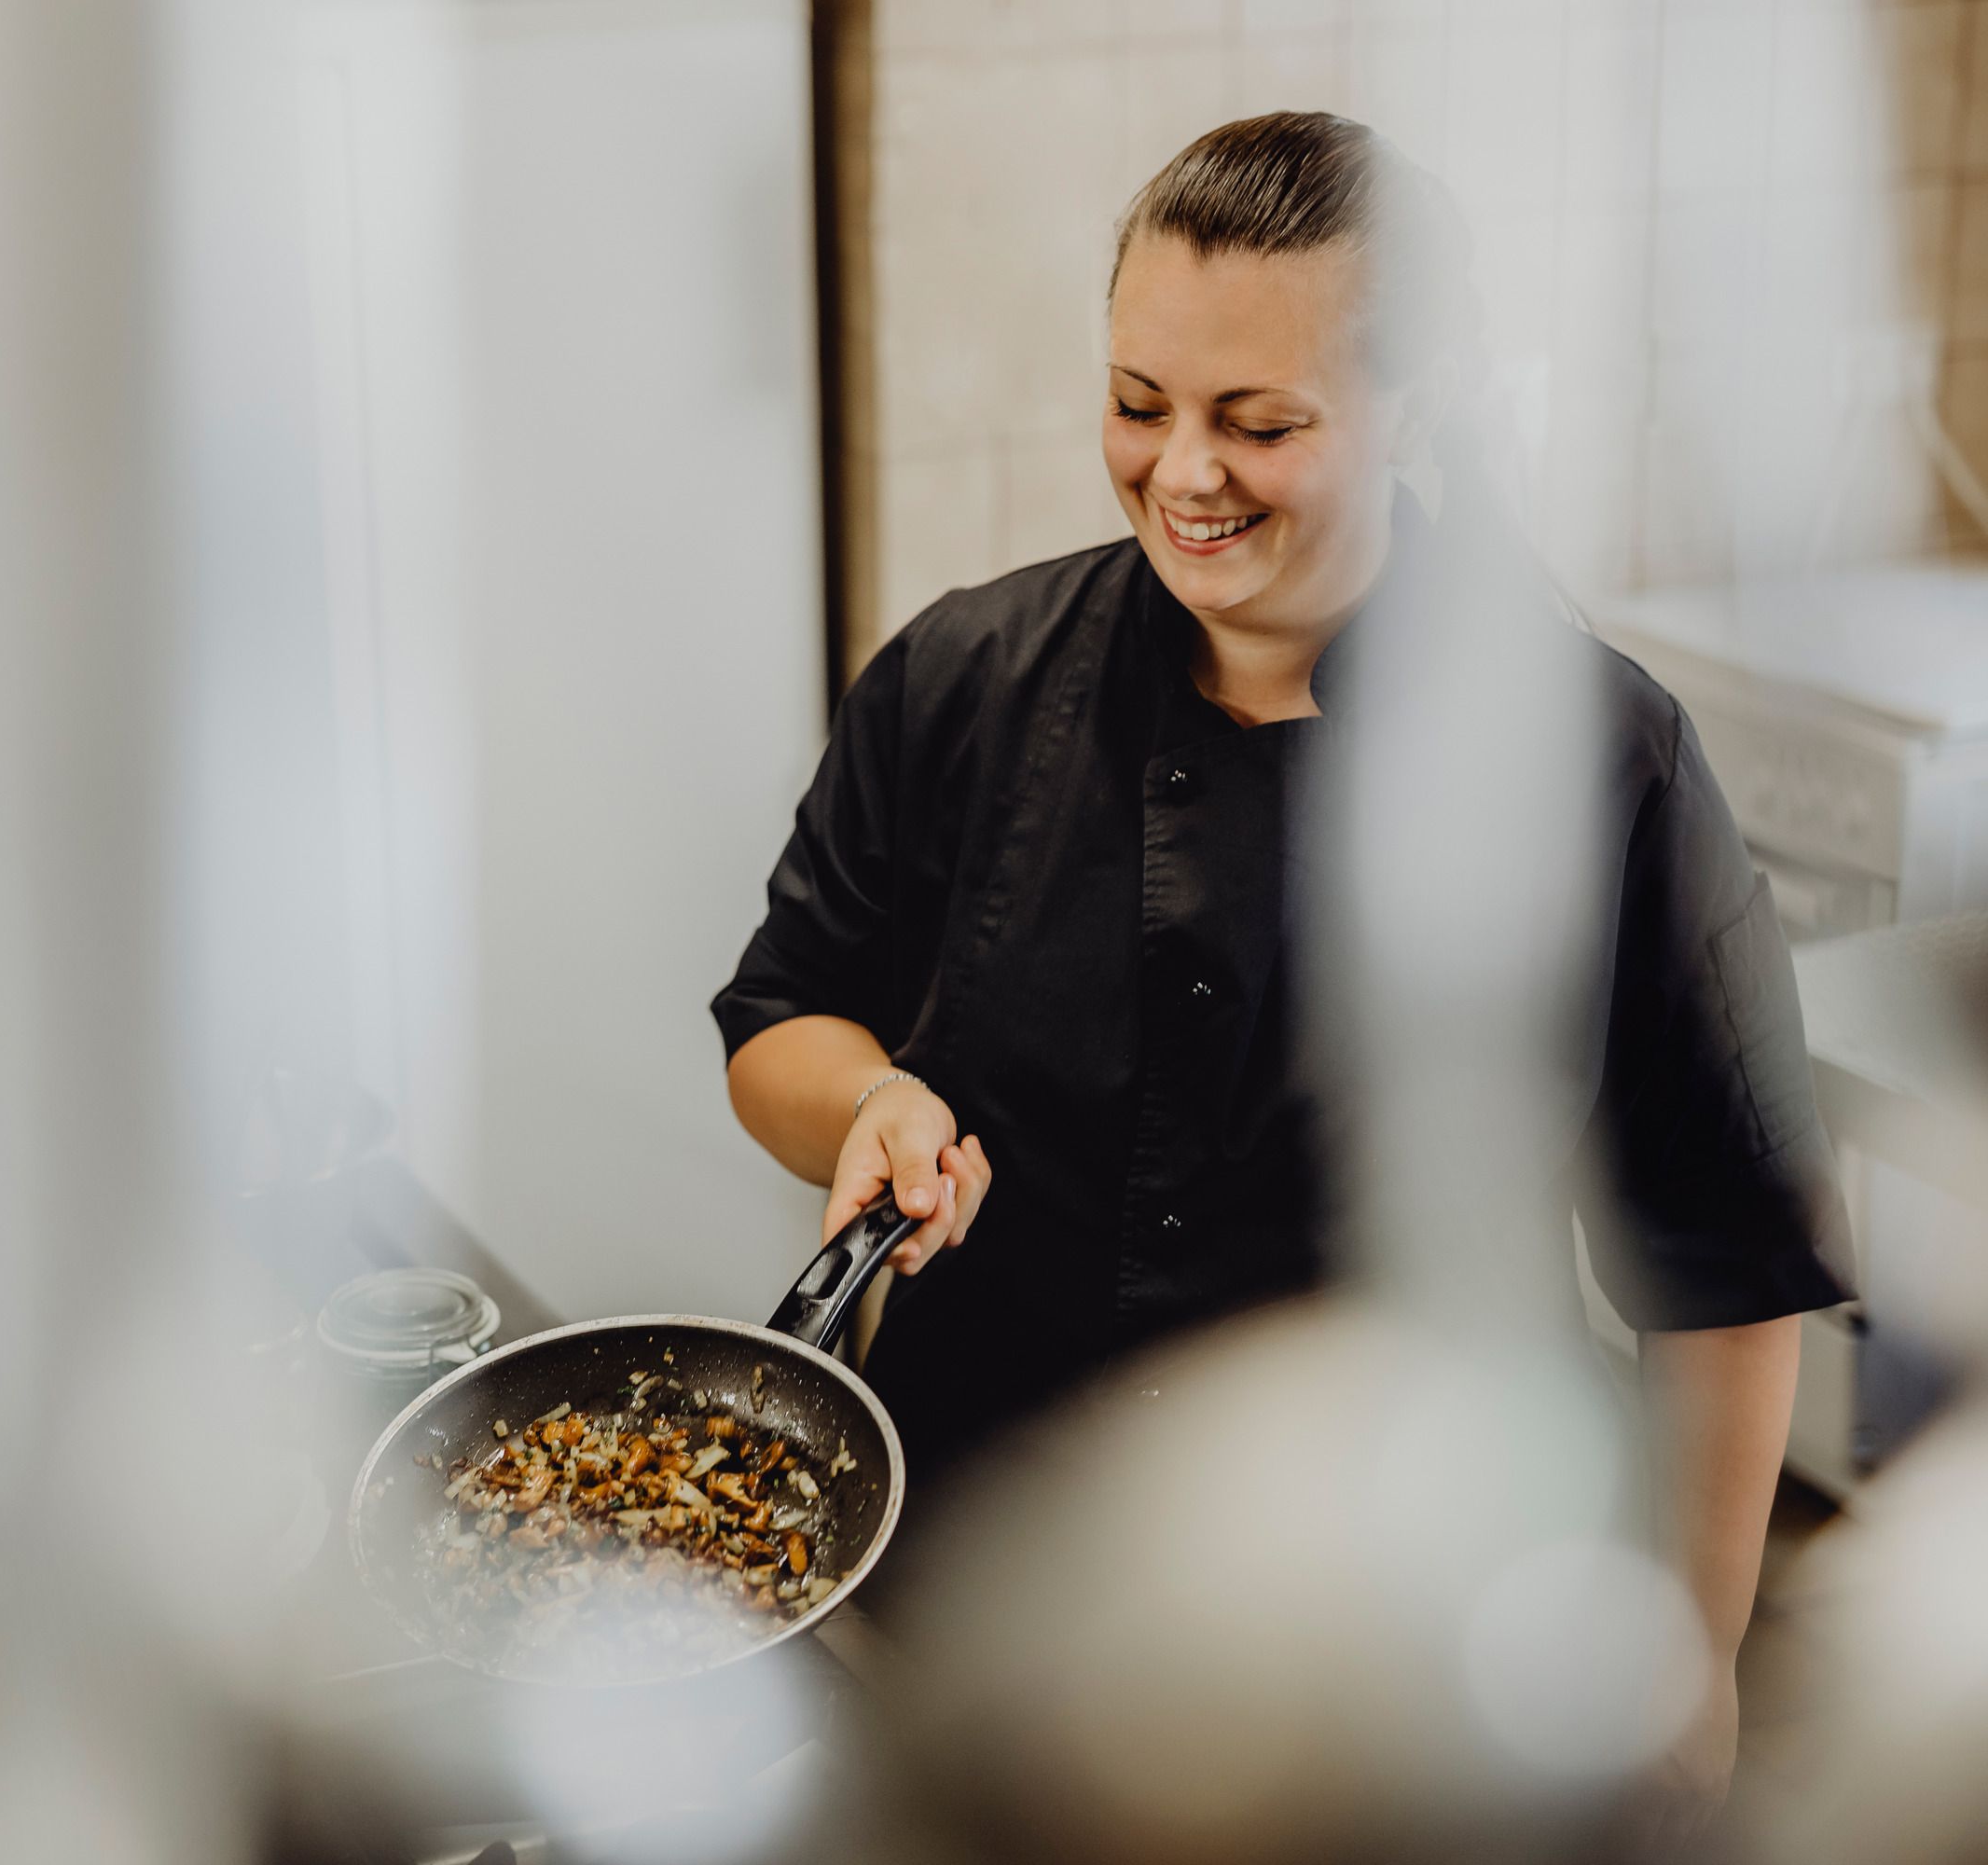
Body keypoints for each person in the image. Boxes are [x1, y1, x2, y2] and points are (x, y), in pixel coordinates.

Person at [711, 113, 1851, 1825]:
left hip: (1399, 1629)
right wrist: (869, 1095)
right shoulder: (962, 679)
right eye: (1137, 403)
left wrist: (1688, 1673)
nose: (1183, 472)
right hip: (984, 1579)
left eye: (1261, 423)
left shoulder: (1592, 760)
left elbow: (1725, 1263)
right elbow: (780, 1014)